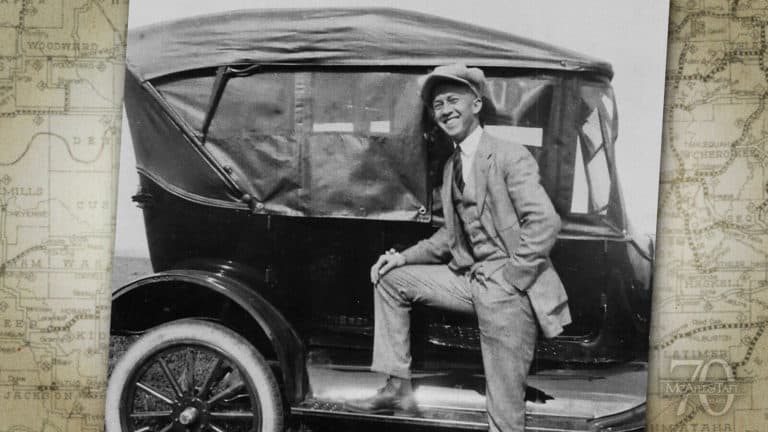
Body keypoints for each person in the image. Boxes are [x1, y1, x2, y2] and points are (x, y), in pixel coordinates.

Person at [344, 63, 571, 432]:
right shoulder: (452, 167)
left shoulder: (509, 155)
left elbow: (545, 223)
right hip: (470, 280)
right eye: (437, 105)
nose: (445, 110)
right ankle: (398, 387)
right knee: (391, 280)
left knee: (504, 407)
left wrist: (513, 277)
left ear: (477, 104)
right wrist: (401, 257)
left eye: (453, 100)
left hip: (510, 290)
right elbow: (450, 238)